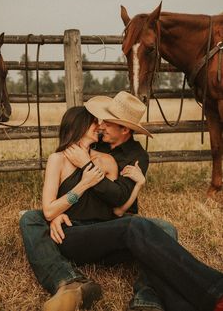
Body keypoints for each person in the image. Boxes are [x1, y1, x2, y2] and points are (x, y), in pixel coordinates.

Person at [20, 92, 223, 311]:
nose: (100, 126)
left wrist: (106, 174)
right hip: (80, 230)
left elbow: (117, 203)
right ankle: (68, 282)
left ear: (124, 129)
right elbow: (52, 205)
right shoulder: (80, 152)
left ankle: (148, 299)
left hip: (111, 225)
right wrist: (56, 212)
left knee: (164, 228)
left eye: (107, 123)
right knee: (31, 218)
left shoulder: (135, 157)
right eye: (98, 122)